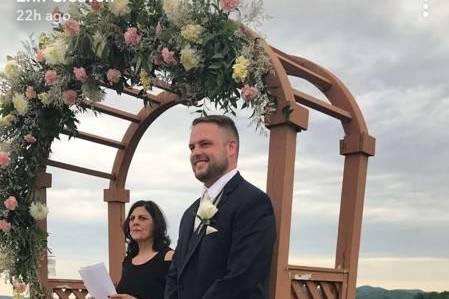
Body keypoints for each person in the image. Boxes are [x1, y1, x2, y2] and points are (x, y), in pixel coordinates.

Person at [165, 115, 276, 299]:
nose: (195, 152)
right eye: (192, 147)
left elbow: (241, 278)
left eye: (205, 144)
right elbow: (175, 274)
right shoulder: (190, 213)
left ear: (231, 148)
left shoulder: (253, 203)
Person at [109, 200, 174, 299]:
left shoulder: (169, 257)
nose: (135, 222)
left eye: (142, 218)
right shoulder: (128, 261)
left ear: (156, 224)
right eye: (132, 218)